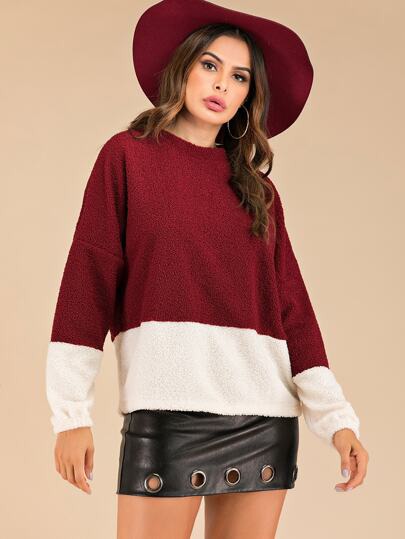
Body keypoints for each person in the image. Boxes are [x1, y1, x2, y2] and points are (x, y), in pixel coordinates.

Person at [46, 1, 369, 537]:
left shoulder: (259, 192)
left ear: (248, 96)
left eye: (239, 76)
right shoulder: (127, 157)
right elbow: (88, 282)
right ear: (183, 68)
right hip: (166, 410)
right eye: (210, 65)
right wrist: (71, 415)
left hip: (264, 416)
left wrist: (337, 421)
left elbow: (293, 309)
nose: (222, 84)